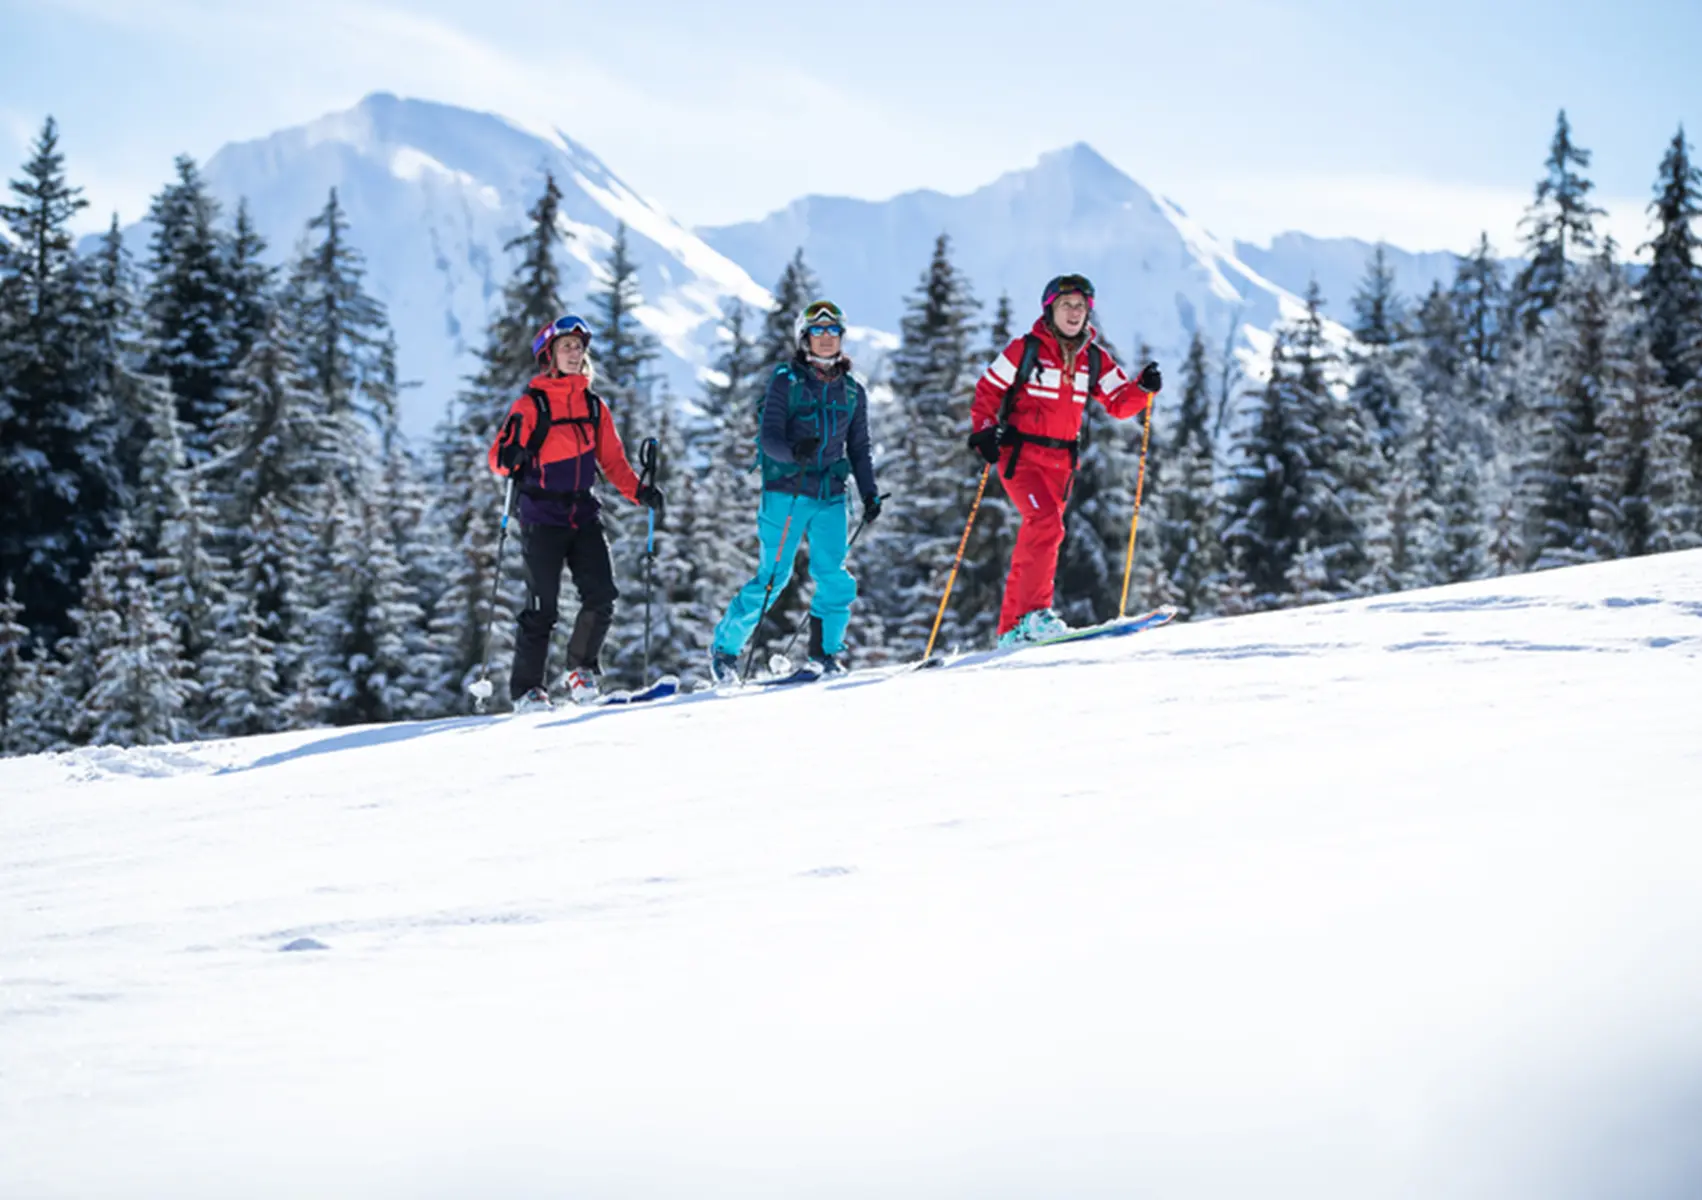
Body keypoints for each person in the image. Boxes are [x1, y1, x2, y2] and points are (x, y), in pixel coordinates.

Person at [968, 274, 1162, 646]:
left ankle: (1012, 629)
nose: (1074, 313)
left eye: (1080, 306)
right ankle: (1036, 614)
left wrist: (1142, 389)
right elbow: (988, 389)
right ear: (1049, 309)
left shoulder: (1093, 357)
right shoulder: (1024, 350)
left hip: (1061, 464)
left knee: (1041, 534)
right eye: (1065, 305)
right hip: (1020, 456)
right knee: (1045, 524)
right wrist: (984, 431)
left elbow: (1119, 403)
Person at [488, 315, 664, 711]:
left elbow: (614, 463)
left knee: (602, 594)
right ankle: (527, 690)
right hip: (541, 516)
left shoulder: (594, 406)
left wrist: (641, 493)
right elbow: (498, 459)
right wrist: (510, 457)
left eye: (579, 346)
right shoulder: (530, 405)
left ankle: (580, 671)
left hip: (582, 513)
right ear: (548, 354)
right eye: (566, 346)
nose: (574, 352)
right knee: (542, 607)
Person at [708, 299, 881, 683]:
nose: (825, 338)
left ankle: (825, 654)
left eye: (832, 331)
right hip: (786, 491)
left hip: (831, 494)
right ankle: (725, 650)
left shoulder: (853, 392)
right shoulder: (785, 379)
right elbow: (768, 437)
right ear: (804, 337)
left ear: (841, 338)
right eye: (817, 331)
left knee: (834, 576)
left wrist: (869, 493)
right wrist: (791, 451)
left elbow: (859, 448)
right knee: (774, 578)